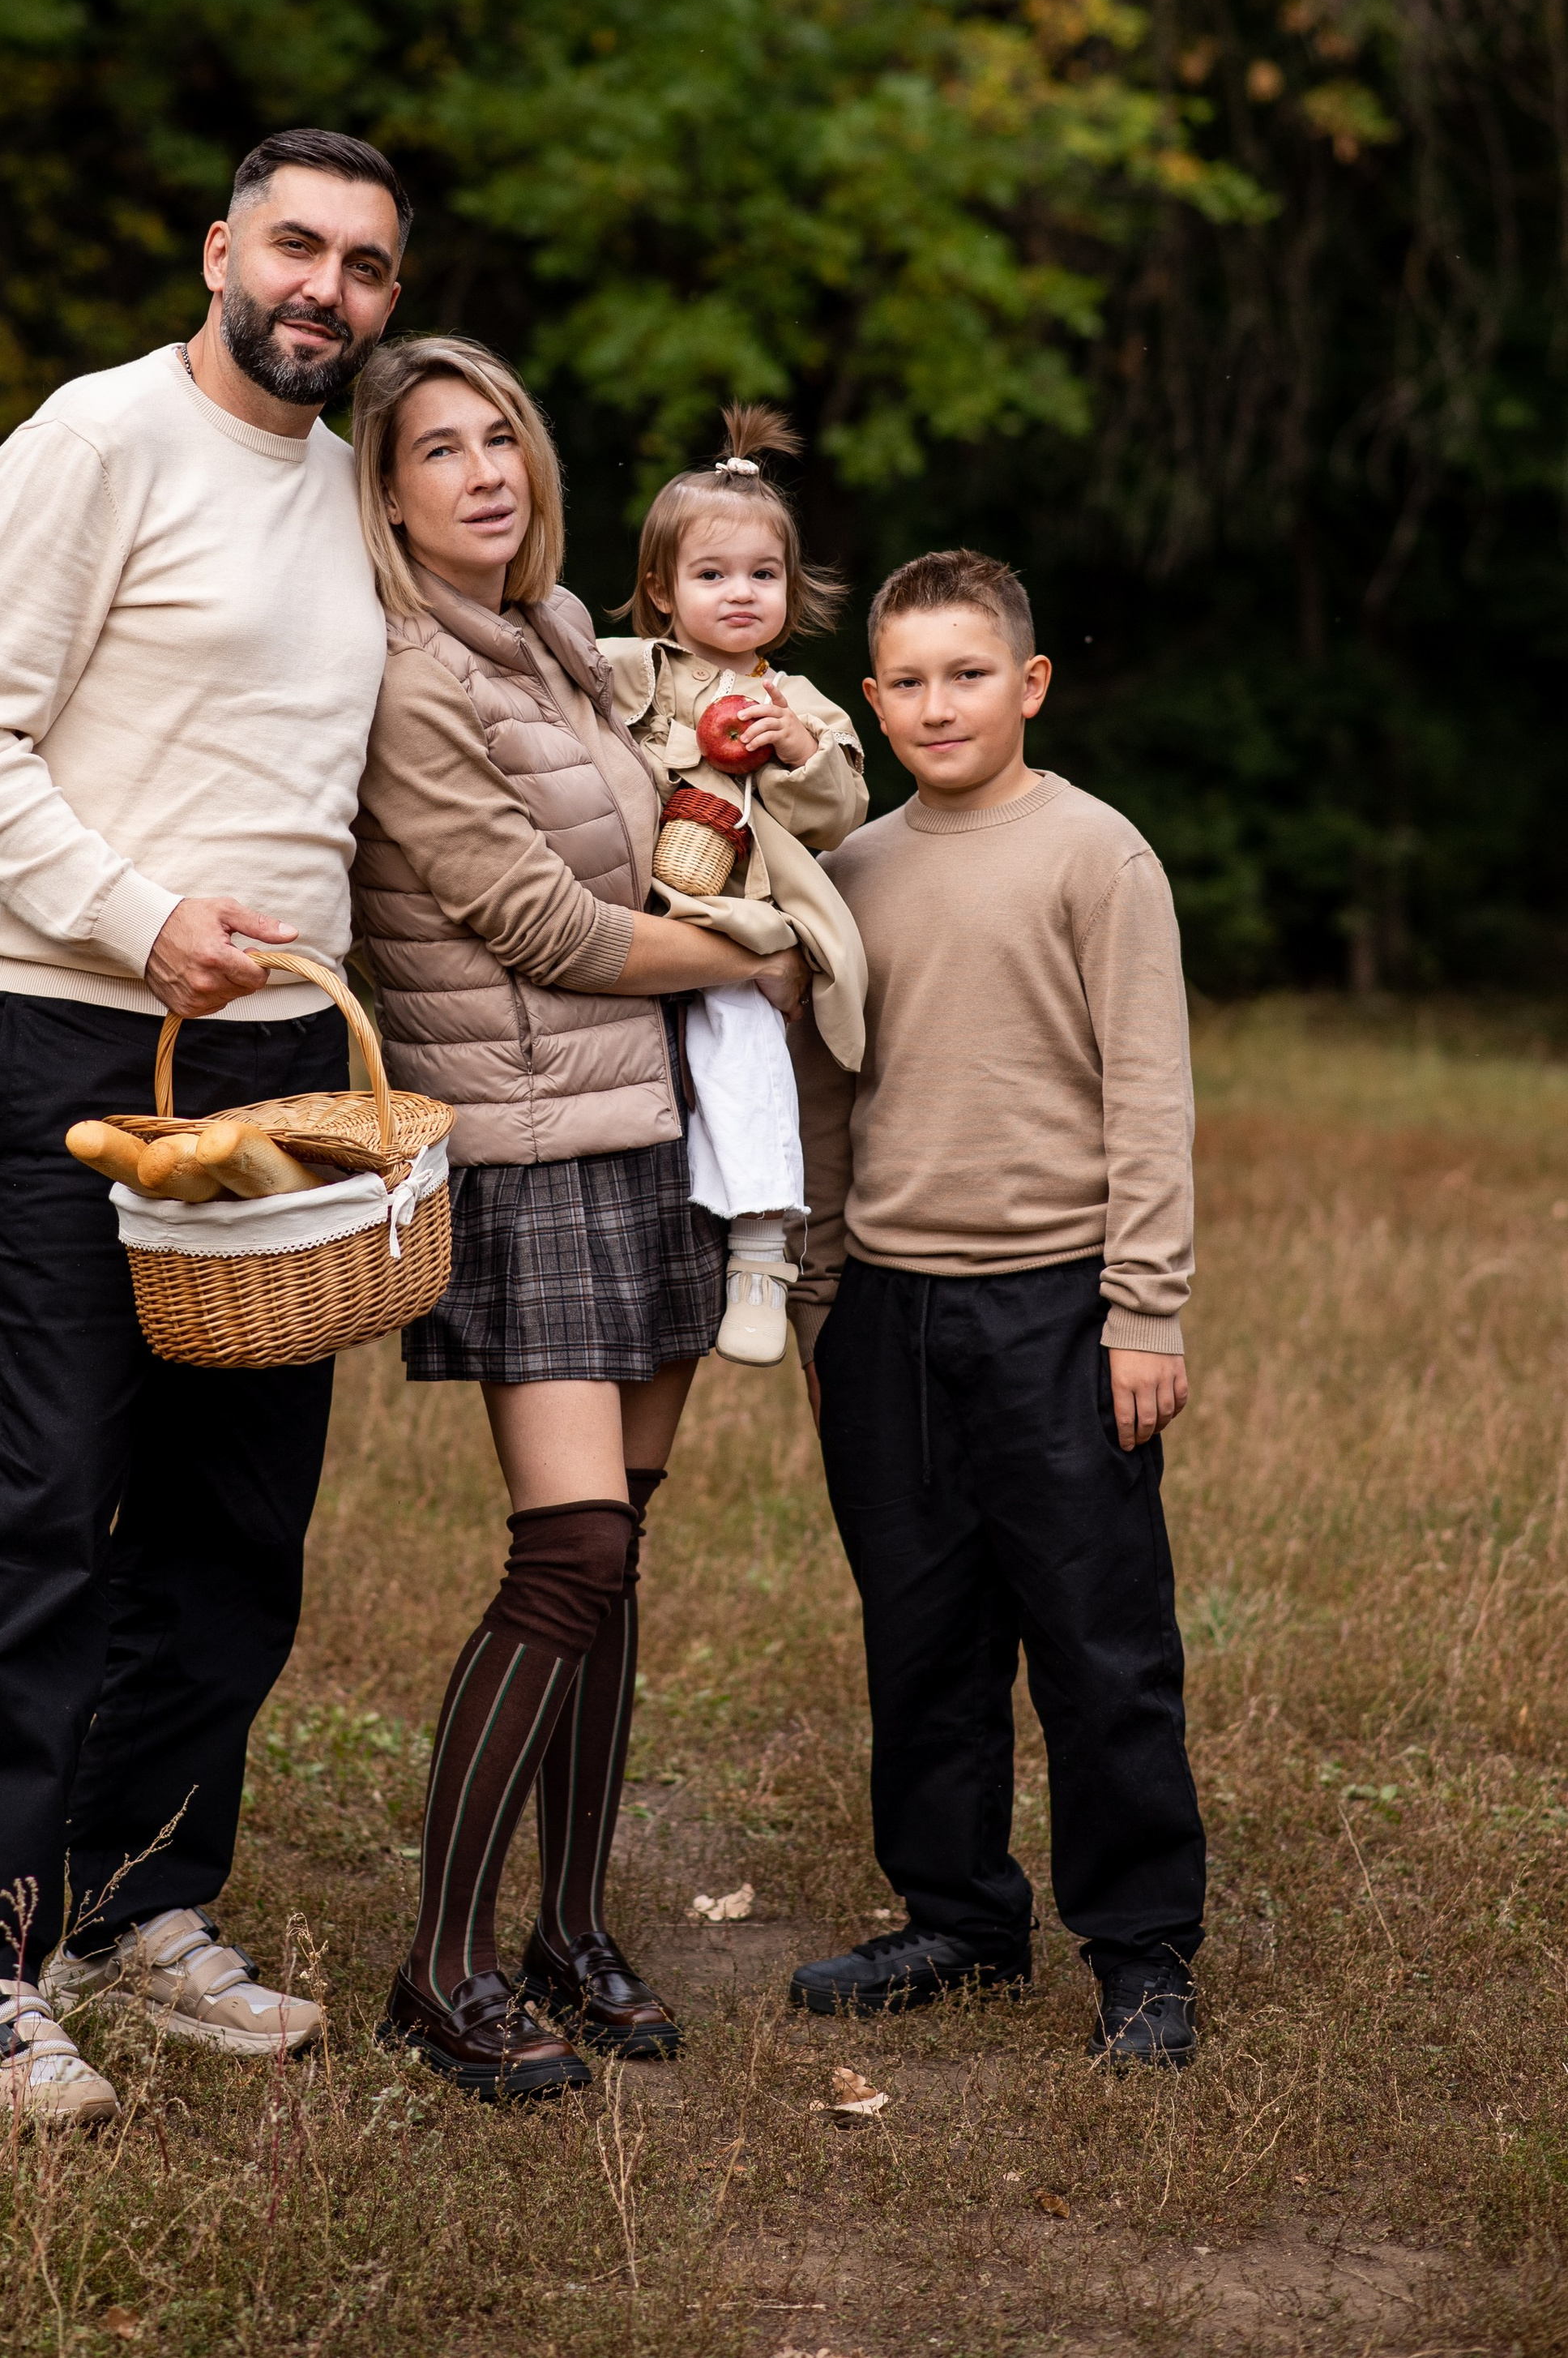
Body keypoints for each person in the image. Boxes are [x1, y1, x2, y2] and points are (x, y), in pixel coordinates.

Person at [0, 127, 407, 2123]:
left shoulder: (342, 490)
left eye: (363, 264)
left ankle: (136, 1903)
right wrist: (135, 913)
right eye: (296, 243)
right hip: (87, 1039)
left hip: (287, 1068)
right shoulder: (91, 441)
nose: (325, 287)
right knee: (55, 1495)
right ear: (218, 247)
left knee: (234, 1513)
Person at [348, 335, 806, 2100]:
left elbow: (703, 790)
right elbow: (542, 922)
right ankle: (442, 1961)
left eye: (503, 443)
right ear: (383, 492)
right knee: (570, 1556)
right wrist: (759, 953)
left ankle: (571, 1927)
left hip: (644, 1130)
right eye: (437, 451)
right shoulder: (408, 677)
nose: (481, 473)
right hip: (525, 1148)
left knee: (621, 1556)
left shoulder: (556, 645)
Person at [785, 549, 1206, 2069]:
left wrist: (1144, 1308)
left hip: (1058, 1309)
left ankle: (1142, 1947)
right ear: (871, 700)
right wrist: (825, 1300)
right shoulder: (851, 874)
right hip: (890, 1312)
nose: (937, 702)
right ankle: (959, 1916)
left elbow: (1149, 1096)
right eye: (906, 678)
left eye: (969, 673)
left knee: (1100, 1640)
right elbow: (826, 1103)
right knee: (923, 1636)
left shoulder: (1097, 856)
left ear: (1030, 683)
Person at [600, 404, 869, 1366]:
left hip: (739, 924)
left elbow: (840, 809)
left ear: (792, 593)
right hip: (632, 911)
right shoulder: (630, 672)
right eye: (711, 575)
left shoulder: (798, 703)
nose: (740, 593)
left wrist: (795, 752)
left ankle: (759, 1249)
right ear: (661, 592)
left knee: (746, 1048)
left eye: (764, 575)